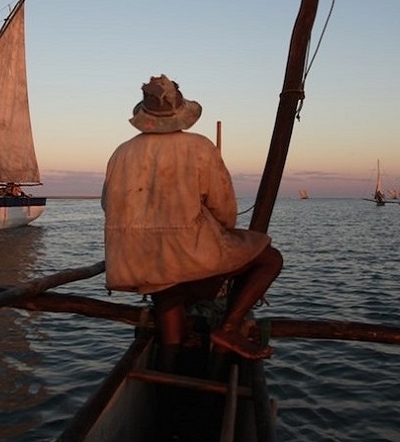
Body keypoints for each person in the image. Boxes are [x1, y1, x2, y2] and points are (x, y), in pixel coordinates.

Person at [102, 75, 283, 361]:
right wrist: (220, 237)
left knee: (168, 291)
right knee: (270, 258)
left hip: (136, 264)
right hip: (186, 261)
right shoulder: (199, 147)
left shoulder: (121, 153)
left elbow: (107, 205)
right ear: (180, 111)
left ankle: (168, 376)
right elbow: (225, 211)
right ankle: (230, 327)